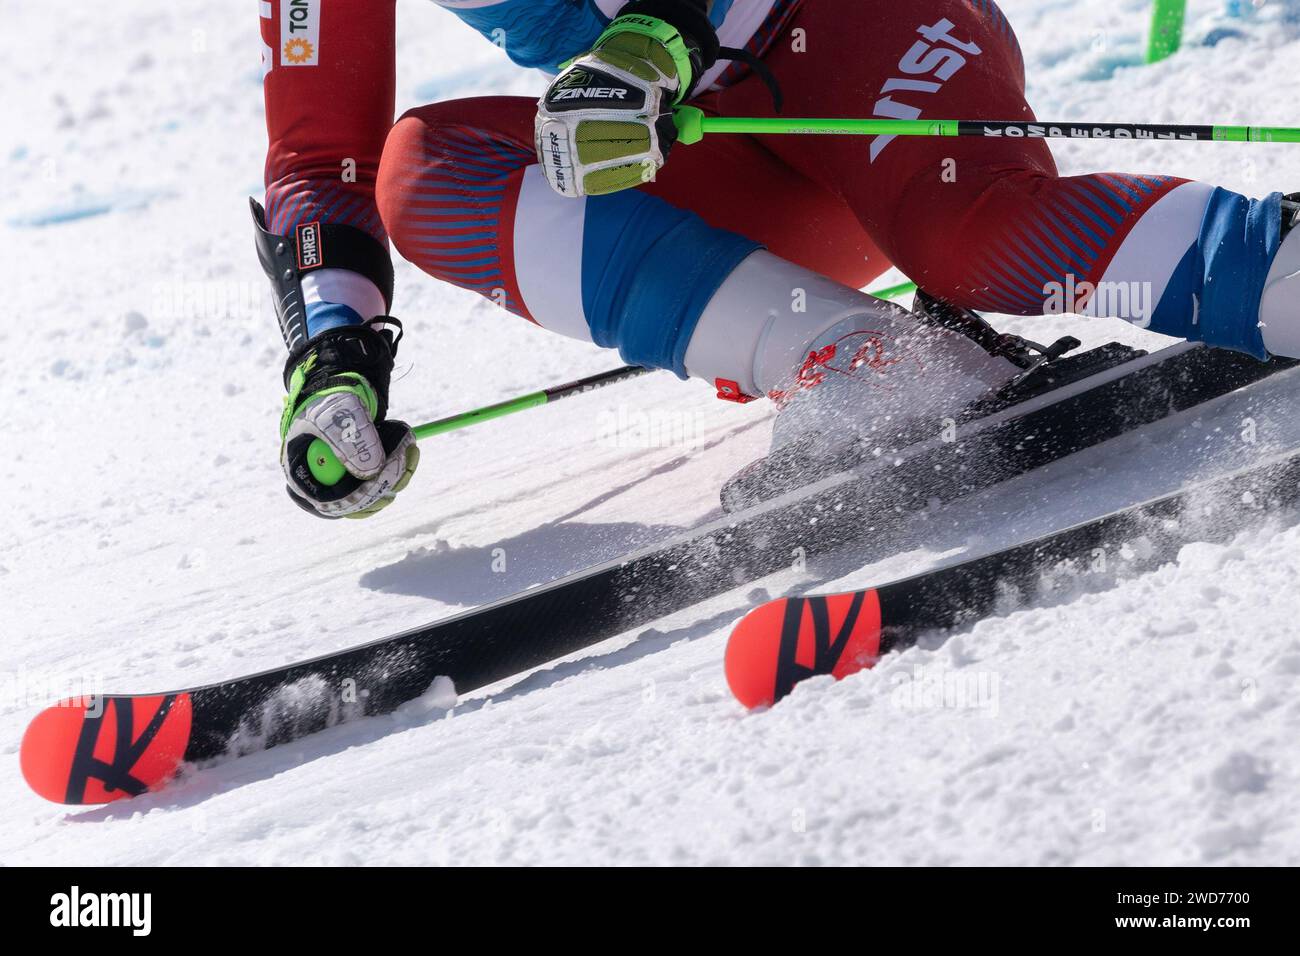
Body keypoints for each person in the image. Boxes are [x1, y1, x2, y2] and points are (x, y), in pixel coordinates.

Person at [255, 0, 1300, 518]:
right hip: (703, 141)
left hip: (851, 36)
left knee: (973, 239)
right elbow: (318, 158)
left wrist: (657, 36)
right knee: (425, 172)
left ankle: (1275, 266)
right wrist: (333, 355)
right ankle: (864, 359)